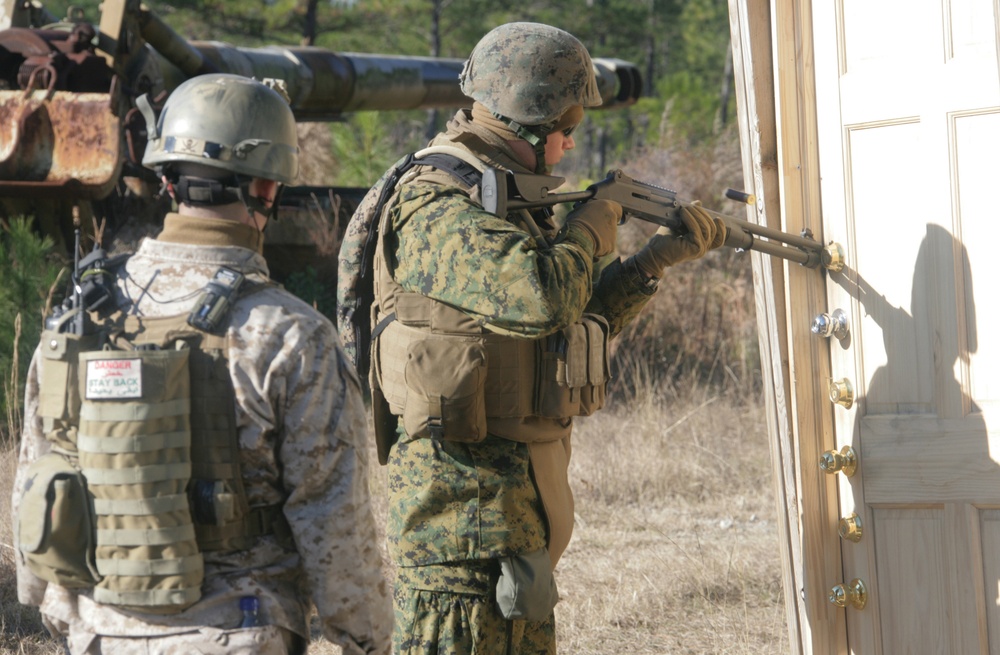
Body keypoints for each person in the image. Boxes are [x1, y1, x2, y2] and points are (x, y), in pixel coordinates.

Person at [336, 22, 725, 655]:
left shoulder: (512, 201)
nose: (570, 147)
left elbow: (564, 327)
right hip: (458, 548)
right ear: (530, 122)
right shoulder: (436, 201)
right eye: (567, 130)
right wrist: (598, 221)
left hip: (514, 529)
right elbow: (539, 294)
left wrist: (649, 264)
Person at [11, 73, 392, 655]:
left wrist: (59, 608)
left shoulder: (79, 317)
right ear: (267, 187)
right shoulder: (290, 334)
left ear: (166, 179)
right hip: (235, 630)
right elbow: (334, 522)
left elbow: (38, 481)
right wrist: (366, 640)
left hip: (97, 629)